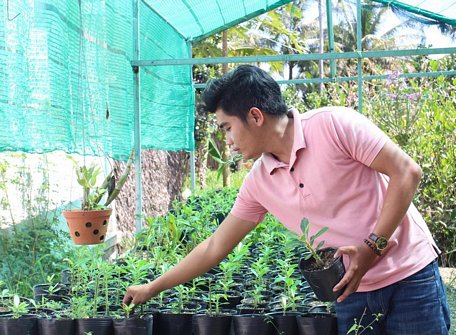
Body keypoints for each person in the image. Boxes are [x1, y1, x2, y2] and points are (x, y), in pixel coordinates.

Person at [123, 65, 451, 334]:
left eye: (226, 128)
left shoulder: (334, 125)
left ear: (255, 116)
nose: (228, 142)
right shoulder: (259, 183)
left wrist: (373, 245)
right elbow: (215, 246)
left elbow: (406, 172)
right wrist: (153, 287)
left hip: (410, 276)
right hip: (351, 290)